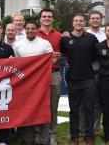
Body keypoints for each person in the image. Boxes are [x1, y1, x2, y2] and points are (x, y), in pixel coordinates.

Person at [61, 12, 99, 145]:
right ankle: (74, 137)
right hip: (73, 80)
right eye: (76, 21)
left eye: (81, 21)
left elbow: (95, 56)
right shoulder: (65, 39)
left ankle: (89, 136)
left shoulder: (92, 38)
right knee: (74, 110)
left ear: (85, 23)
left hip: (88, 79)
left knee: (89, 109)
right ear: (72, 23)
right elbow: (61, 54)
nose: (78, 23)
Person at [13, 20, 54, 145]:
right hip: (25, 83)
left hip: (42, 82)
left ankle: (44, 139)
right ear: (25, 30)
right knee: (27, 110)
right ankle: (28, 139)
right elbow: (16, 63)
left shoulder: (45, 44)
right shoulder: (17, 45)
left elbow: (51, 60)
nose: (30, 31)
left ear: (37, 29)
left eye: (33, 28)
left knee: (44, 109)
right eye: (28, 29)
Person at [36, 8, 62, 145]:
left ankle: (51, 134)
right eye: (44, 16)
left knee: (52, 106)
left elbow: (65, 52)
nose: (47, 18)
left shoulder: (59, 36)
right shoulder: (34, 34)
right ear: (40, 19)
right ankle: (38, 134)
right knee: (37, 105)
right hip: (36, 77)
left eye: (49, 16)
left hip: (53, 74)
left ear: (52, 19)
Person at [80, 10, 104, 140]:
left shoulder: (106, 34)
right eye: (93, 18)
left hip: (100, 73)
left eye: (97, 18)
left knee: (97, 104)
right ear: (89, 20)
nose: (95, 20)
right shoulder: (82, 33)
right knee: (83, 104)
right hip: (85, 73)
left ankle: (95, 131)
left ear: (101, 20)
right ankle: (82, 131)